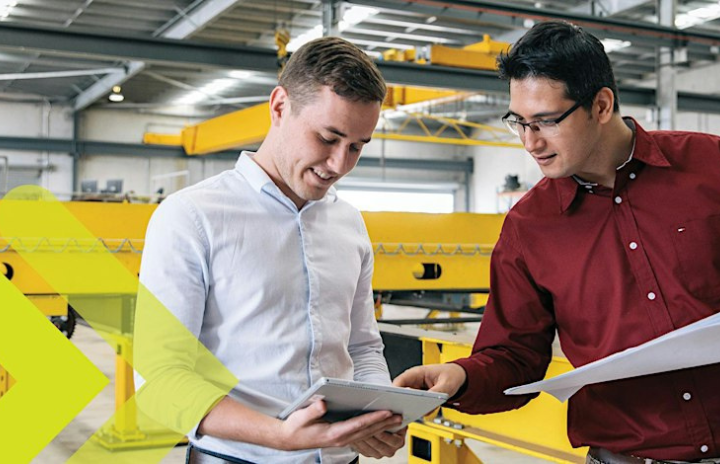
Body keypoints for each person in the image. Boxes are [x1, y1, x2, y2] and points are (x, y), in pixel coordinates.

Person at [394, 20, 720, 464]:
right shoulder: (528, 228)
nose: (530, 142)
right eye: (519, 123)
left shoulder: (709, 167)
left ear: (601, 105)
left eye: (545, 121)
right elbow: (513, 355)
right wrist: (460, 376)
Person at [135, 36, 405, 464]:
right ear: (279, 106)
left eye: (356, 146)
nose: (339, 164)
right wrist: (277, 435)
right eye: (327, 137)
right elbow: (160, 380)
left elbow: (361, 348)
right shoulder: (191, 217)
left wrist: (379, 415)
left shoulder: (348, 223)